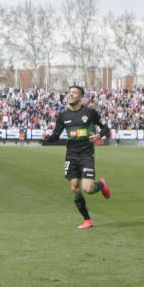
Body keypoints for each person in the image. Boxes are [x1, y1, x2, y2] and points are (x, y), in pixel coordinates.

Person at [44, 85, 112, 230]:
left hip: (87, 155)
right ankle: (87, 220)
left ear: (81, 97)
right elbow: (55, 136)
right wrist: (47, 137)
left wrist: (99, 135)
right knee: (74, 188)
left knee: (87, 189)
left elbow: (106, 128)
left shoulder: (90, 112)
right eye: (69, 92)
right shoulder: (63, 115)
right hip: (71, 156)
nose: (70, 95)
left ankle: (100, 185)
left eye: (74, 93)